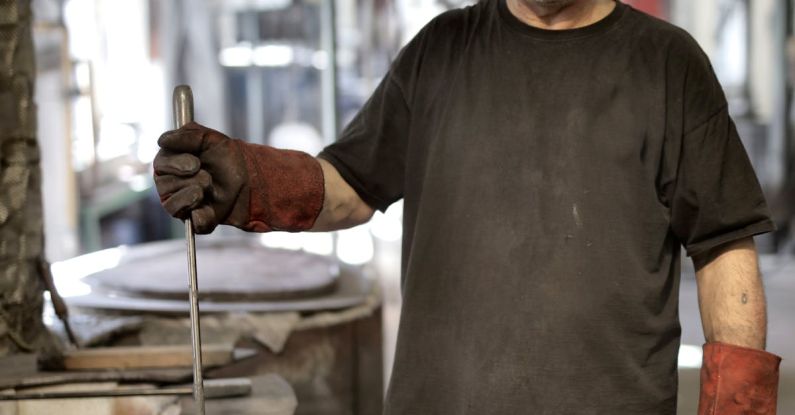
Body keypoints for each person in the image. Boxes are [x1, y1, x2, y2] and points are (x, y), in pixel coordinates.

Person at [153, 0, 782, 413]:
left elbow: (723, 242)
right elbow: (351, 183)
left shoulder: (669, 65)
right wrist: (250, 180)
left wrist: (739, 408)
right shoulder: (439, 52)